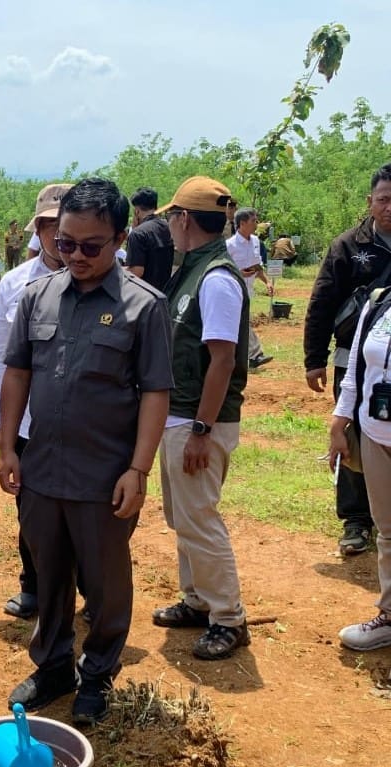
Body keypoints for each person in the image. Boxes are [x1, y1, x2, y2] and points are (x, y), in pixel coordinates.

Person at [0, 178, 172, 725]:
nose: (74, 255)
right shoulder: (36, 297)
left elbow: (156, 393)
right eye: (65, 244)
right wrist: (7, 446)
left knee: (104, 582)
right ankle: (52, 668)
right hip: (42, 468)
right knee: (46, 576)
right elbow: (17, 372)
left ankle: (96, 674)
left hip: (105, 477)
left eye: (90, 246)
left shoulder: (144, 308)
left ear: (120, 238)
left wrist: (138, 469)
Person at [151, 176, 252, 660]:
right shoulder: (194, 271)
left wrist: (201, 431)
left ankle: (228, 617)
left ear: (184, 220)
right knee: (183, 516)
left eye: (173, 217)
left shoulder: (215, 278)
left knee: (199, 517)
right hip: (179, 417)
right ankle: (198, 600)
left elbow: (223, 361)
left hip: (197, 421)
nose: (170, 224)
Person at [0, 183, 71, 621]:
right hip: (27, 425)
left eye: (64, 224)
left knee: (84, 514)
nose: (57, 234)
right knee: (31, 509)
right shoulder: (15, 284)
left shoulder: (108, 279)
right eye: (48, 225)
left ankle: (88, 590)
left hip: (82, 424)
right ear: (36, 229)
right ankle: (33, 585)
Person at [304, 164, 391, 556]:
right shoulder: (348, 247)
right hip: (355, 361)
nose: (390, 207)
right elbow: (322, 302)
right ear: (370, 203)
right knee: (354, 437)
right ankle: (357, 520)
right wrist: (313, 358)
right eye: (384, 199)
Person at [330, 289, 391, 650]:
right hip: (374, 433)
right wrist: (340, 420)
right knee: (387, 532)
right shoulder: (380, 301)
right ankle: (389, 615)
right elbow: (355, 370)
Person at [226, 207, 274, 370]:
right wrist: (238, 273)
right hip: (232, 289)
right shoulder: (229, 245)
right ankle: (254, 354)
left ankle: (239, 356)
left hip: (248, 290)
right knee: (241, 321)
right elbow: (223, 268)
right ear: (242, 223)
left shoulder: (255, 242)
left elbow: (256, 266)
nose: (256, 224)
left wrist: (266, 281)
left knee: (237, 322)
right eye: (253, 221)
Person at [125, 187, 175, 291]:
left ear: (137, 211)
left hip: (144, 296)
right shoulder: (169, 227)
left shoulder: (138, 234)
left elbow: (136, 271)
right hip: (166, 292)